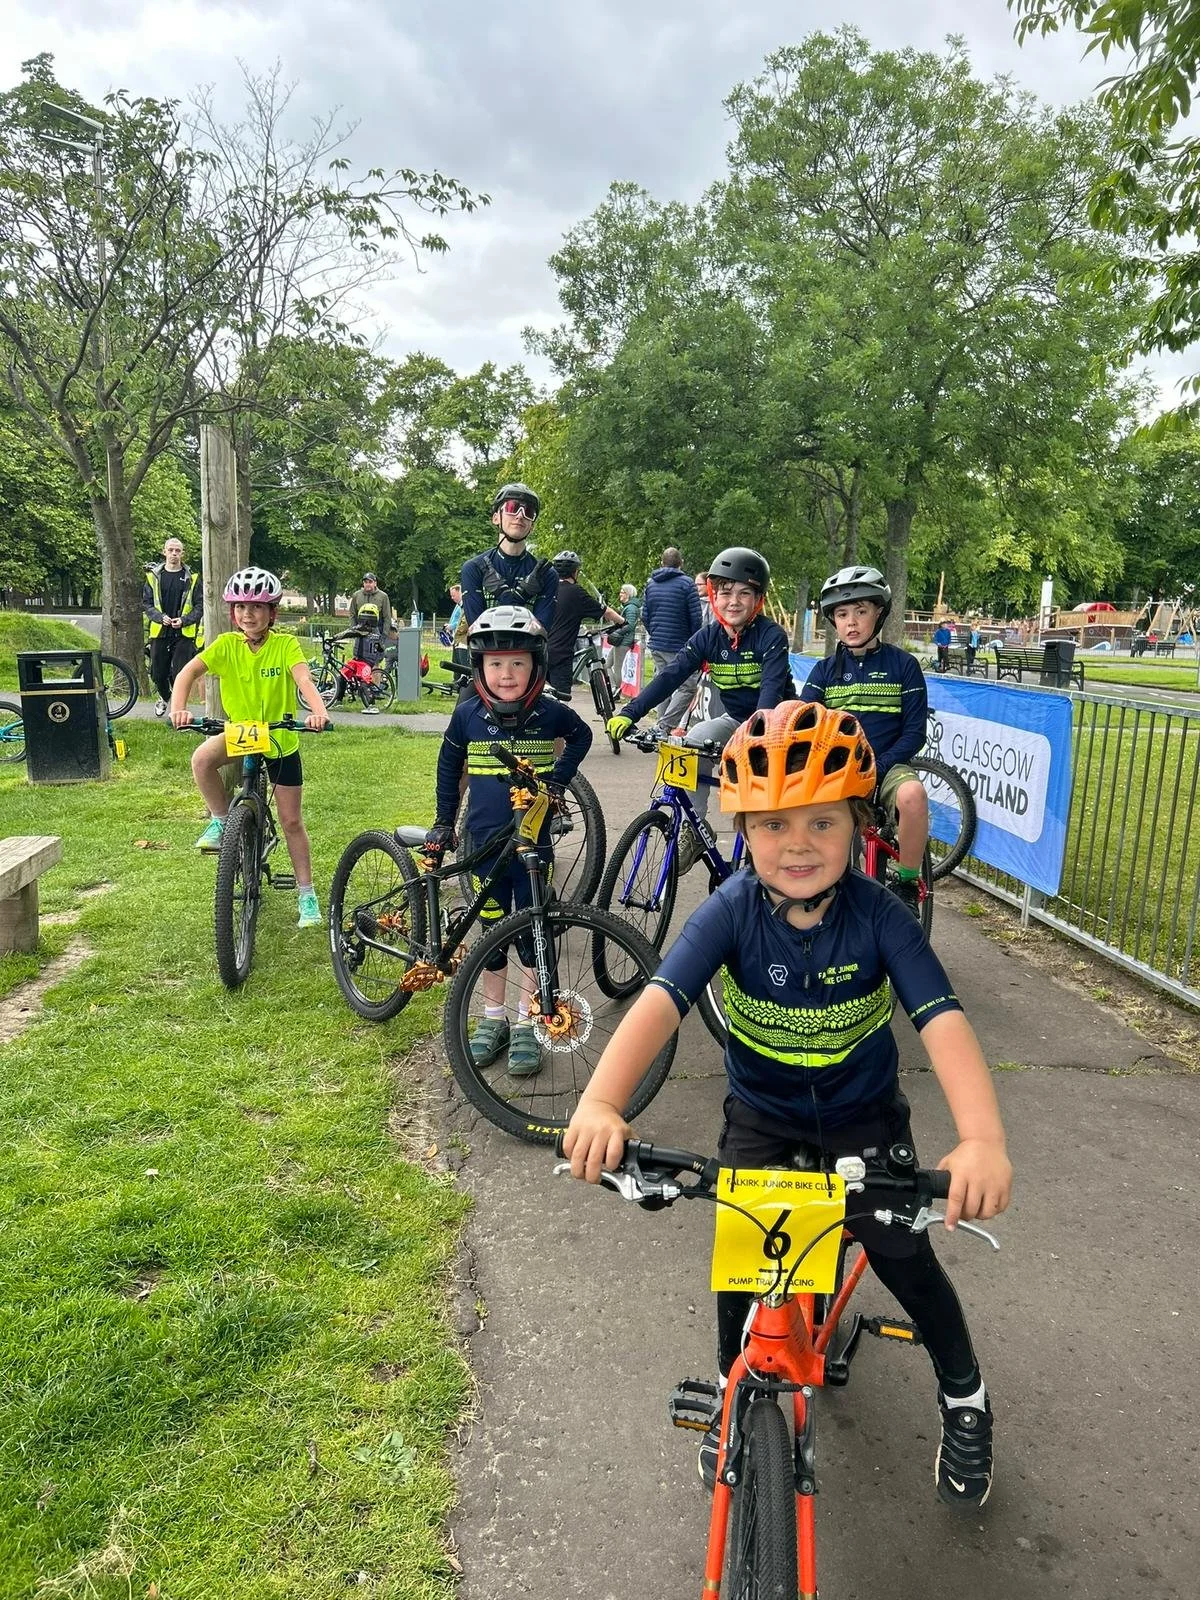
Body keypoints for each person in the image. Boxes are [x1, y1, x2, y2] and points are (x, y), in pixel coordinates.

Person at [563, 699, 1011, 1509]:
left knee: (904, 1257)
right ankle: (731, 1388)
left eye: (821, 822)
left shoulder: (881, 917)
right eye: (772, 825)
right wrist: (600, 1101)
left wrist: (980, 1139)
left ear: (861, 825)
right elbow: (660, 1003)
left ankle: (965, 1395)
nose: (797, 844)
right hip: (763, 1118)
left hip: (862, 1119)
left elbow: (944, 1024)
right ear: (742, 830)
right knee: (742, 1264)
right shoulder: (731, 908)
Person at [426, 606, 592, 1075]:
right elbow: (448, 767)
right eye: (495, 664)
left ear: (536, 665)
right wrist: (443, 821)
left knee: (534, 930)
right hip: (483, 843)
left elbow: (581, 736)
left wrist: (557, 781)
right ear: (479, 667)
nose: (506, 674)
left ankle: (525, 1020)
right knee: (492, 931)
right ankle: (492, 1017)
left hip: (533, 842)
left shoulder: (550, 713)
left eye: (517, 663)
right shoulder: (467, 715)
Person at [607, 547, 791, 871]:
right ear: (714, 596)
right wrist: (629, 712)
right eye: (725, 592)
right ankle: (695, 829)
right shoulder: (708, 636)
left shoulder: (771, 635)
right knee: (694, 740)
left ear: (758, 599)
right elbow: (670, 675)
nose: (733, 601)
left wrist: (753, 737)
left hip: (774, 727)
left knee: (757, 804)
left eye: (744, 593)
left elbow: (770, 693)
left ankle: (763, 854)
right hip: (735, 720)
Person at [169, 566, 329, 927]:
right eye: (240, 607)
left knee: (291, 820)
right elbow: (187, 673)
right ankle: (221, 820)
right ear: (232, 612)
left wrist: (318, 712)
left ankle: (307, 894)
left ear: (272, 612)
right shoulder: (226, 645)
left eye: (257, 607)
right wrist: (179, 708)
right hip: (241, 733)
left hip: (279, 738)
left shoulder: (285, 645)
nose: (248, 614)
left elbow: (303, 679)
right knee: (202, 759)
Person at [801, 566, 929, 918]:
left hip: (888, 766)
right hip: (837, 772)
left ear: (879, 613)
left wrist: (878, 768)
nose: (852, 622)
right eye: (842, 614)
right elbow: (802, 725)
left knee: (913, 796)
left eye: (861, 611)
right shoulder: (824, 671)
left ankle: (907, 883)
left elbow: (915, 733)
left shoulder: (904, 665)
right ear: (834, 621)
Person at [459, 484, 559, 632]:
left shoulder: (546, 574)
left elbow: (540, 632)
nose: (520, 516)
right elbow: (477, 630)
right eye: (512, 508)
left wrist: (512, 596)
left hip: (528, 648)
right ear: (496, 518)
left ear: (532, 526)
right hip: (485, 647)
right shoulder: (474, 568)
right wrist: (520, 597)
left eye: (528, 512)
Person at [545, 551, 623, 701]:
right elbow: (605, 611)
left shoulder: (548, 589)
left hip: (539, 651)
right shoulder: (576, 592)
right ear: (575, 572)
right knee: (561, 698)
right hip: (560, 654)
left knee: (540, 695)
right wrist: (623, 622)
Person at [642, 547, 704, 737]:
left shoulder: (651, 584)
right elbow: (696, 617)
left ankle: (660, 727)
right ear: (681, 563)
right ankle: (664, 726)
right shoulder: (687, 584)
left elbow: (645, 615)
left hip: (657, 644)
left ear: (662, 563)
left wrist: (655, 633)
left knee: (663, 684)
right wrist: (695, 642)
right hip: (680, 645)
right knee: (688, 687)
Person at [143, 537, 203, 716]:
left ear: (182, 554)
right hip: (160, 632)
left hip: (183, 634)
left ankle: (177, 712)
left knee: (180, 674)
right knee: (157, 673)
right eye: (171, 550)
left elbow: (200, 606)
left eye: (177, 551)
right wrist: (160, 617)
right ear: (164, 552)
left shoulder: (192, 578)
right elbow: (147, 604)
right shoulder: (153, 577)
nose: (174, 554)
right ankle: (165, 697)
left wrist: (184, 620)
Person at [606, 583, 641, 689]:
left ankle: (617, 690)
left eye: (622, 592)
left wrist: (617, 633)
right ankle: (614, 688)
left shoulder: (631, 608)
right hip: (620, 641)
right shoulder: (628, 607)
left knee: (617, 668)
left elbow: (630, 625)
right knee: (607, 665)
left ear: (628, 594)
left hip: (623, 641)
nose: (620, 594)